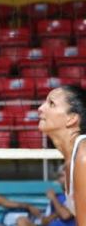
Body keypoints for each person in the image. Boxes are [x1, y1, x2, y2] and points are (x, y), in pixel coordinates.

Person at [38, 86, 86, 225]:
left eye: (51, 103)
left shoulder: (83, 156)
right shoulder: (73, 158)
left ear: (71, 119)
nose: (40, 108)